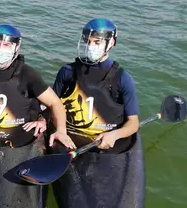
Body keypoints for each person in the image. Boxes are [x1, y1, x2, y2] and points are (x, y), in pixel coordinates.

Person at [51, 18, 140, 153]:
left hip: (104, 141)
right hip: (68, 138)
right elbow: (52, 104)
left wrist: (115, 134)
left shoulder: (122, 78)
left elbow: (133, 123)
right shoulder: (67, 72)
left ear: (111, 43)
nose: (91, 46)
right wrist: (45, 122)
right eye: (88, 41)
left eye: (97, 42)